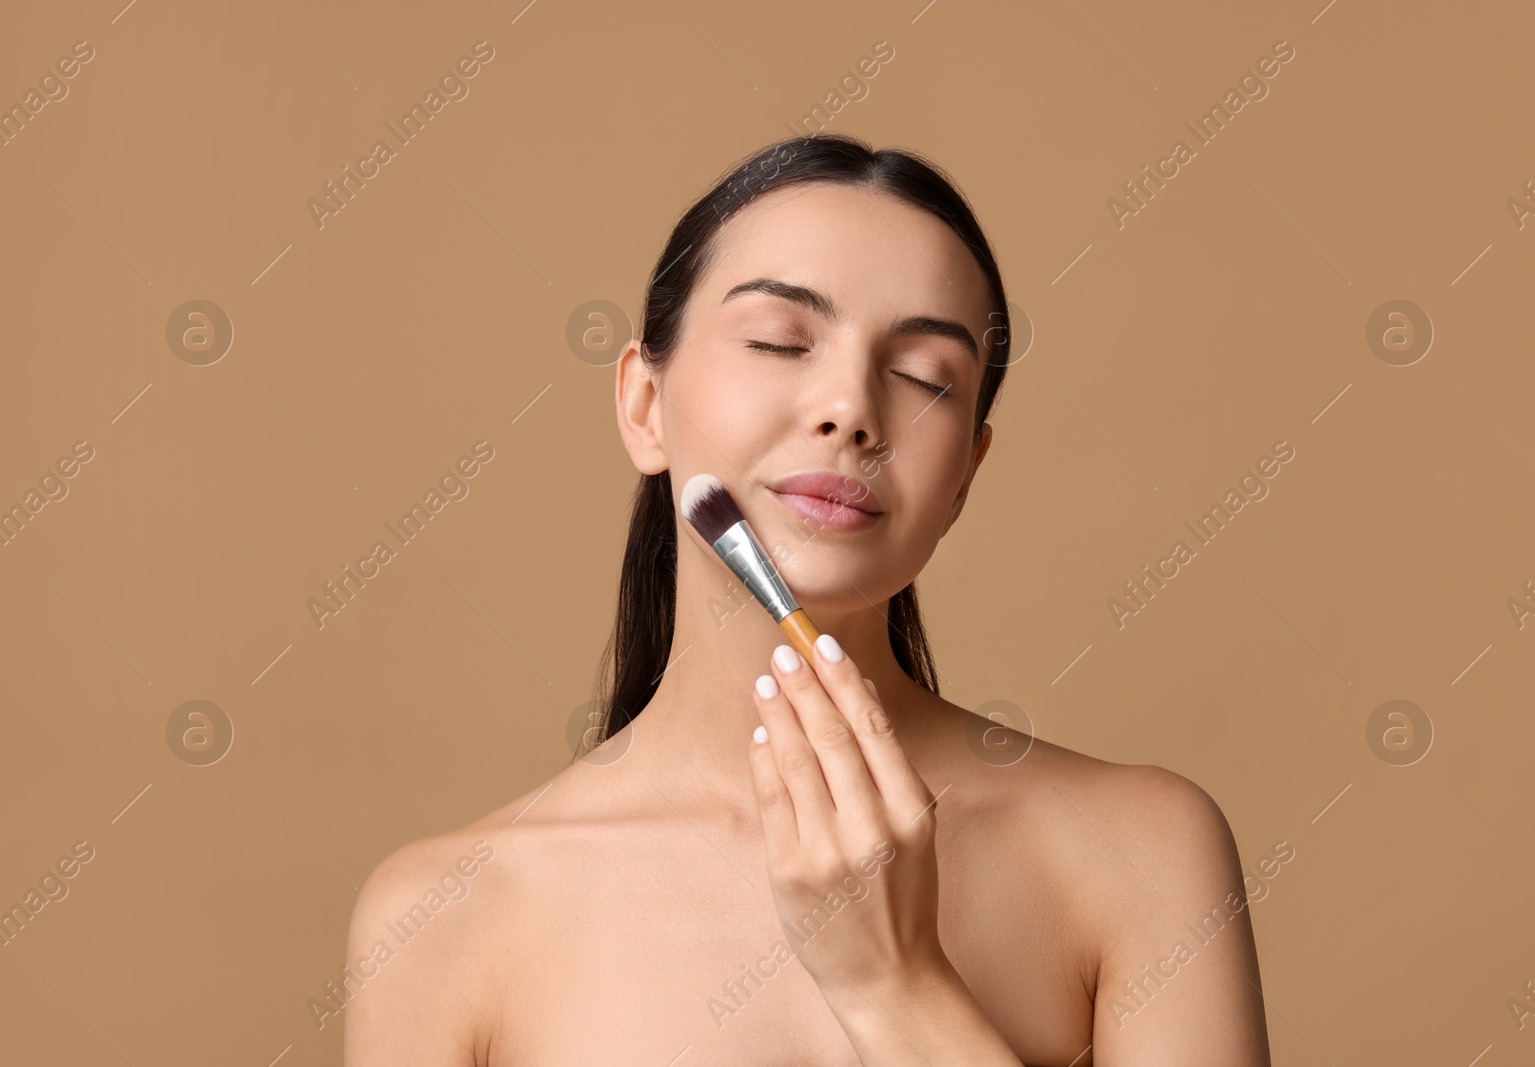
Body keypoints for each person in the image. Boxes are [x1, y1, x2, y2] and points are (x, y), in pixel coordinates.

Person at [344, 133, 1272, 1065]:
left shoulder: (1142, 852)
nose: (851, 408)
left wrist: (896, 986)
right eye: (780, 341)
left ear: (965, 478)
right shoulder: (443, 917)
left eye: (922, 377)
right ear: (642, 403)